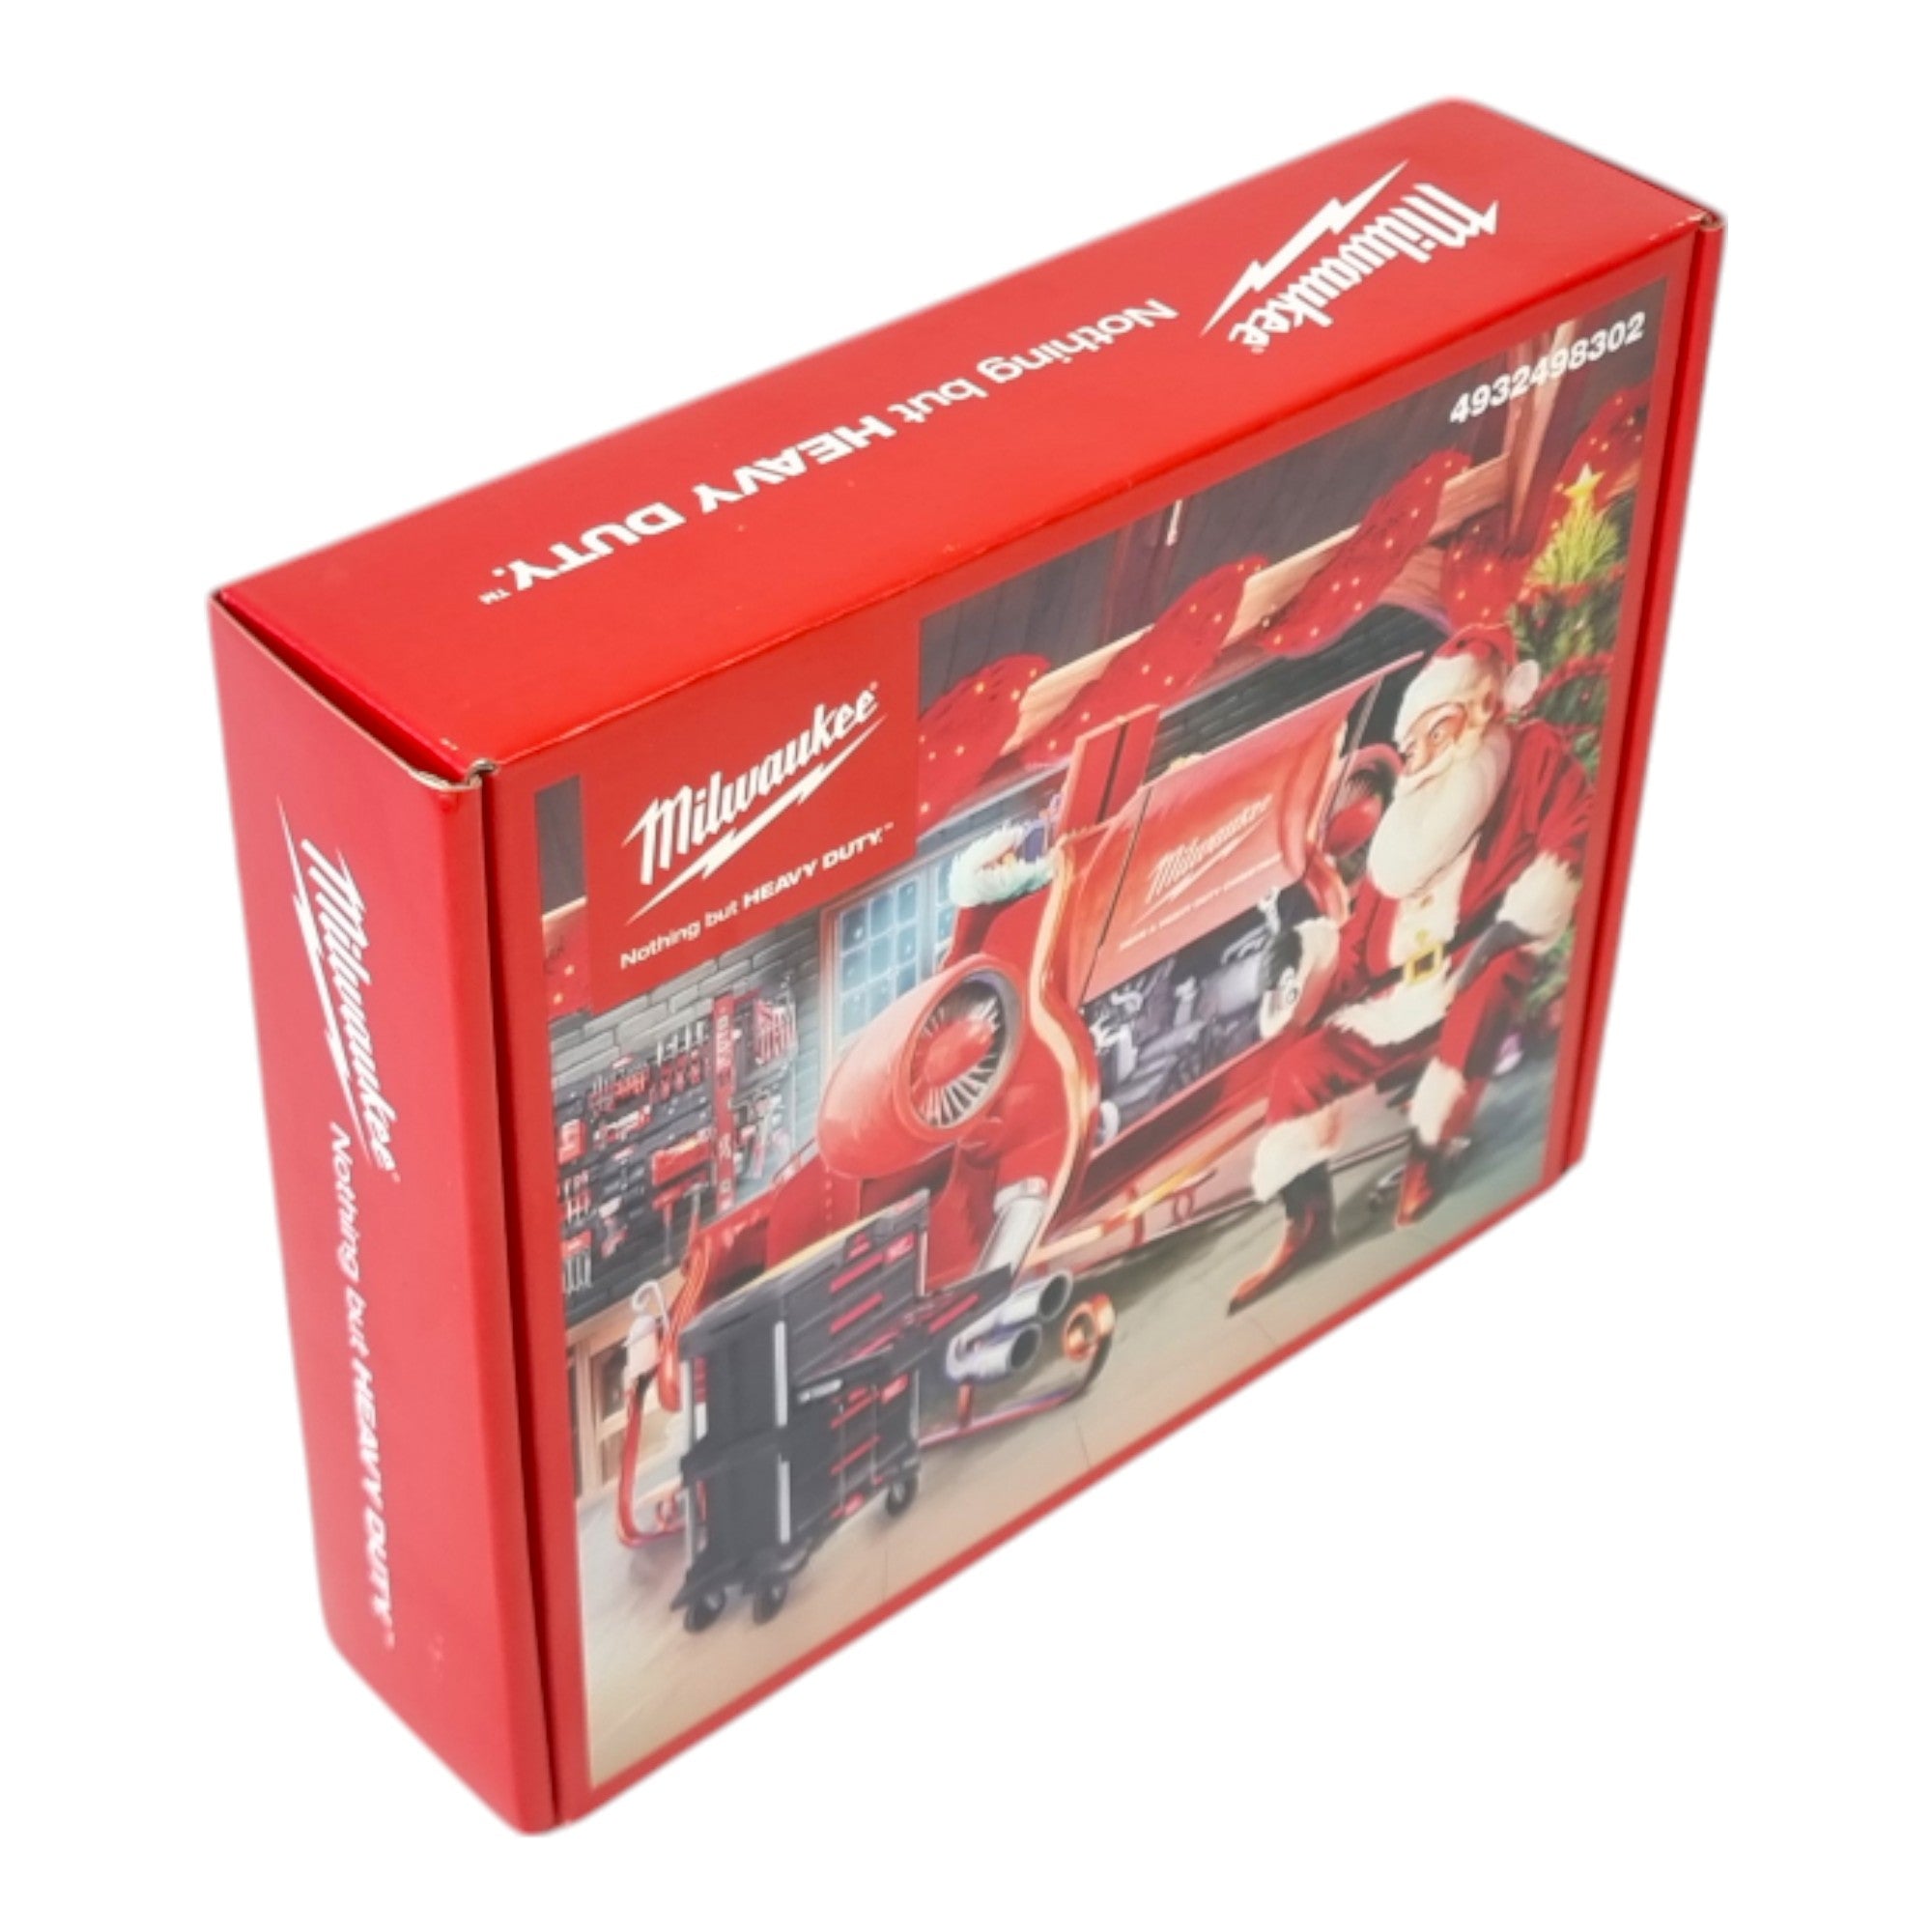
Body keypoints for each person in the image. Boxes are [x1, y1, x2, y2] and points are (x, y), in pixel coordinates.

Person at [1231, 625, 1593, 1311]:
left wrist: (1518, 921)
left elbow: (1575, 829)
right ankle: (1306, 1221)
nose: (1422, 754)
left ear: (1479, 712)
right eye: (1413, 741)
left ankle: (1432, 1150)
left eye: (1438, 731)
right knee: (1297, 1069)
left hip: (1477, 960)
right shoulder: (1406, 830)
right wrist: (1305, 965)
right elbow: (1357, 948)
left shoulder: (1528, 756)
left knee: (1488, 989)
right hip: (1397, 998)